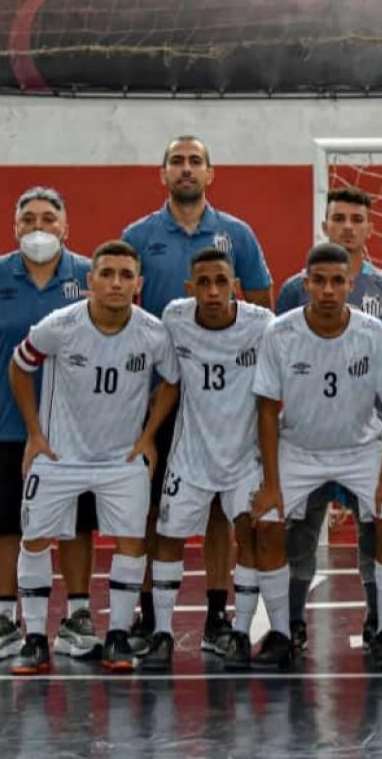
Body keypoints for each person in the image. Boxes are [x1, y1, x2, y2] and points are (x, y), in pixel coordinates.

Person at [122, 135, 273, 653]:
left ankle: (215, 613)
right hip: (160, 393)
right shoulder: (139, 235)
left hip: (224, 401)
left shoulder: (238, 234)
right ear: (162, 173)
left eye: (195, 161)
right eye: (176, 161)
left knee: (219, 509)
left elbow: (259, 307)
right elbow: (127, 313)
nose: (186, 169)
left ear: (211, 172)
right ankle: (149, 615)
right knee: (151, 507)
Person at [7, 240, 178, 674]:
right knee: (35, 540)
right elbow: (19, 365)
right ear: (91, 280)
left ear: (138, 283)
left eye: (125, 275)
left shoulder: (153, 332)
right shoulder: (59, 325)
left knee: (132, 542)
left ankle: (117, 636)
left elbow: (172, 382)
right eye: (107, 274)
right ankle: (33, 639)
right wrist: (34, 433)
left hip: (121, 459)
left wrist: (149, 437)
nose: (116, 283)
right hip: (59, 455)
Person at [250, 243, 382, 670]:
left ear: (350, 285)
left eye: (337, 281)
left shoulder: (372, 331)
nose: (327, 289)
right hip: (299, 448)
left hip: (361, 448)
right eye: (318, 281)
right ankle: (283, 632)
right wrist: (269, 483)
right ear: (305, 284)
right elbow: (266, 407)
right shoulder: (279, 333)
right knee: (266, 527)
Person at [276, 187, 382, 651]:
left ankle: (380, 623)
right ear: (325, 224)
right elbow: (279, 356)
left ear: (370, 228)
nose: (348, 226)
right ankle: (291, 624)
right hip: (307, 432)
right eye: (339, 218)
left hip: (366, 437)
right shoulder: (296, 290)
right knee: (300, 534)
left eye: (357, 219)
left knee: (376, 531)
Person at [0, 187, 99, 662]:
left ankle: (78, 615)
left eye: (48, 217)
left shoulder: (88, 275)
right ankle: (5, 617)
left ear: (66, 226)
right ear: (14, 226)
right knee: (6, 524)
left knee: (77, 524)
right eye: (28, 219)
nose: (38, 226)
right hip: (5, 425)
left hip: (74, 430)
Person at [144, 248, 275, 670]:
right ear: (190, 288)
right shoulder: (175, 318)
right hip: (189, 455)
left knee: (248, 535)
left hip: (244, 455)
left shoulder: (262, 324)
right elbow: (166, 381)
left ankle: (236, 629)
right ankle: (162, 630)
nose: (214, 291)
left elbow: (277, 391)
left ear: (235, 283)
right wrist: (147, 435)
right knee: (168, 537)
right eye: (204, 282)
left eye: (222, 281)